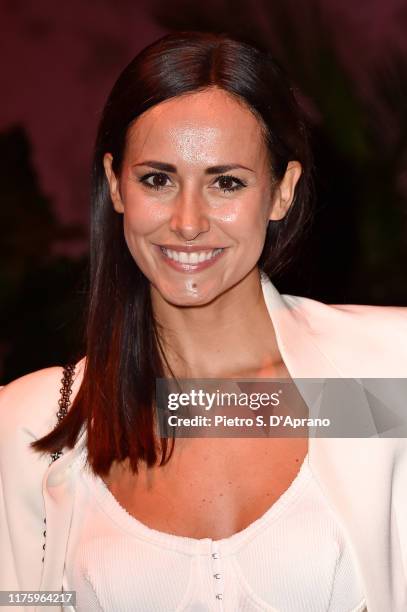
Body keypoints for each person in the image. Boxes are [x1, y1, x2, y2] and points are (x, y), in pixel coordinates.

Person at [1, 30, 406, 612]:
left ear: (281, 192)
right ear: (116, 185)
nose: (188, 222)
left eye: (227, 182)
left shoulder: (378, 379)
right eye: (157, 179)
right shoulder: (34, 428)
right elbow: (18, 602)